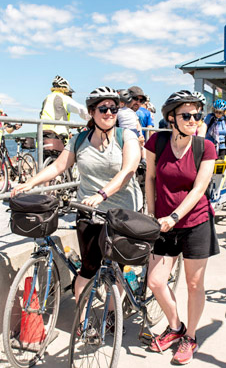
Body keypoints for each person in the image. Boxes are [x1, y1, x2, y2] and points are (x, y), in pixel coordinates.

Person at [12, 86, 142, 326]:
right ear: (92, 112)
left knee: (117, 268)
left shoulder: (127, 137)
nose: (109, 113)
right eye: (103, 108)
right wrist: (30, 183)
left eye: (114, 108)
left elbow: (129, 170)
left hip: (122, 209)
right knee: (88, 268)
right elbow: (58, 167)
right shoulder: (79, 140)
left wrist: (103, 194)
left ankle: (113, 315)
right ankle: (82, 322)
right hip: (89, 209)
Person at [145, 90, 218, 365]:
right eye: (186, 115)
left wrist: (173, 217)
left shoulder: (205, 147)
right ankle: (175, 327)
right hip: (162, 223)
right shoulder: (157, 142)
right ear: (171, 118)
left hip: (195, 221)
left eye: (197, 115)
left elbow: (199, 188)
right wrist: (152, 213)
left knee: (194, 283)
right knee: (155, 281)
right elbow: (150, 177)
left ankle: (191, 336)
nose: (194, 119)